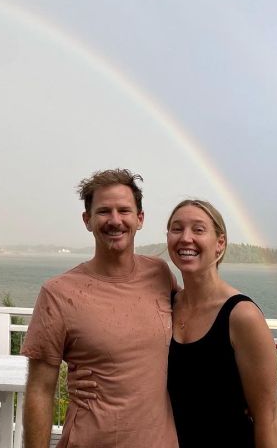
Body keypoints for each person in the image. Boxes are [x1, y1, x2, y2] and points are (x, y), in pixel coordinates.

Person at [69, 198, 277, 448]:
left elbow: (267, 418)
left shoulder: (241, 316)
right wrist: (82, 378)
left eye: (198, 229)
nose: (185, 238)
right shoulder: (165, 305)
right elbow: (124, 352)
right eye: (177, 229)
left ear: (219, 244)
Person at [21, 169, 179, 448]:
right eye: (104, 211)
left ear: (140, 219)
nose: (115, 220)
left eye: (124, 211)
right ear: (87, 220)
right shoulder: (58, 293)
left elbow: (196, 326)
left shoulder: (160, 274)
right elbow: (39, 390)